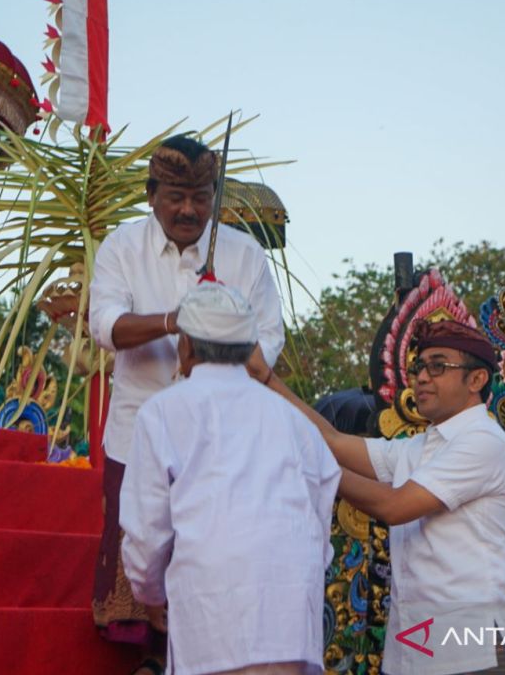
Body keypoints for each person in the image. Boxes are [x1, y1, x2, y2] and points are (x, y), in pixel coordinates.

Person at [89, 133, 285, 673]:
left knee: (208, 552)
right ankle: (151, 657)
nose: (189, 209)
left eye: (202, 197)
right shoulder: (121, 248)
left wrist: (219, 348)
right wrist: (176, 320)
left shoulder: (244, 254)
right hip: (138, 430)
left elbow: (270, 337)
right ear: (151, 195)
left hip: (221, 439)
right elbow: (103, 326)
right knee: (146, 547)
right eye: (176, 196)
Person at [255, 319, 505, 675]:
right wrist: (266, 378)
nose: (422, 377)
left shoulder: (484, 441)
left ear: (476, 380)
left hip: (476, 652)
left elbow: (394, 506)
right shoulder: (419, 448)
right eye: (419, 366)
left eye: (438, 366)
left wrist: (316, 469)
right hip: (417, 650)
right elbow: (334, 442)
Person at [119, 282, 340, 675]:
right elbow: (321, 514)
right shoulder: (295, 422)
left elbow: (146, 530)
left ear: (185, 345)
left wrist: (150, 593)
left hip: (212, 613)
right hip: (289, 616)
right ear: (248, 349)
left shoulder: (164, 412)